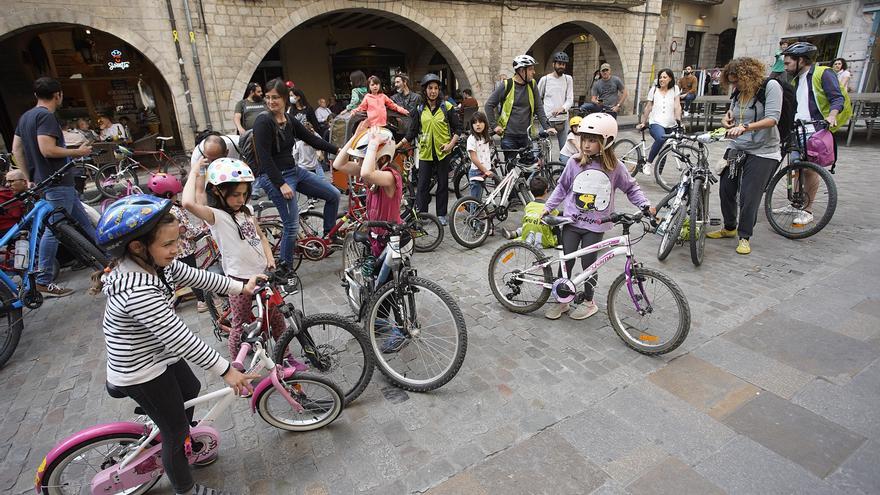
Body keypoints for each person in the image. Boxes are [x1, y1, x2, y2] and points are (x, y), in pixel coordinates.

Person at [93, 194, 260, 495]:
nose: (177, 250)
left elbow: (196, 275)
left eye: (177, 241)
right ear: (137, 246)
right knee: (175, 430)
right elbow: (180, 337)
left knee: (190, 389)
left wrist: (241, 286)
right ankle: (185, 487)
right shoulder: (137, 290)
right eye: (169, 244)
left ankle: (170, 428)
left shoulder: (154, 264)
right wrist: (227, 370)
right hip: (139, 370)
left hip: (156, 356)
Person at [542, 113, 653, 320]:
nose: (586, 144)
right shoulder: (574, 163)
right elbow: (562, 187)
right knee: (566, 263)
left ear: (606, 141)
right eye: (584, 139)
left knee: (589, 265)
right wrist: (548, 207)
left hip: (595, 225)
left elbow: (631, 188)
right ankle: (562, 300)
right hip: (572, 222)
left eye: (592, 140)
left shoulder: (614, 167)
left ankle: (588, 302)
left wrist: (645, 204)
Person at [181, 157, 288, 364]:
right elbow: (187, 202)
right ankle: (235, 366)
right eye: (236, 195)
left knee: (277, 318)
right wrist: (194, 170)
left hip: (262, 276)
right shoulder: (215, 216)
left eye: (245, 194)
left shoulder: (247, 211)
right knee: (239, 326)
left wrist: (270, 259)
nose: (241, 199)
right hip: (238, 282)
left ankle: (286, 357)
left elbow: (262, 237)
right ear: (218, 192)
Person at [11, 76, 94, 297]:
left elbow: (16, 149)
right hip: (57, 181)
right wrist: (79, 152)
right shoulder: (45, 116)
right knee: (54, 229)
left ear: (36, 95)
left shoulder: (26, 117)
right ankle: (43, 278)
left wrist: (29, 177)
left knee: (83, 223)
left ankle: (109, 261)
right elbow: (47, 149)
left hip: (46, 181)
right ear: (58, 94)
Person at [253, 78, 340, 268]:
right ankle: (285, 268)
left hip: (294, 171)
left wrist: (338, 151)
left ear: (284, 98)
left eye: (275, 97)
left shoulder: (289, 120)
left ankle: (329, 236)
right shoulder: (263, 122)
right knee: (291, 225)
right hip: (275, 177)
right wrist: (280, 184)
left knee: (334, 194)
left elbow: (312, 139)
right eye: (267, 97)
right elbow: (264, 157)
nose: (270, 102)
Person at [707, 57, 784, 255]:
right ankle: (729, 227)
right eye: (731, 81)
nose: (734, 85)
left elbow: (772, 119)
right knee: (726, 187)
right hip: (738, 146)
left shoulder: (770, 87)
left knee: (750, 195)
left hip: (763, 150)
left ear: (748, 76)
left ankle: (744, 236)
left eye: (736, 81)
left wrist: (745, 127)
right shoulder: (738, 91)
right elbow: (732, 113)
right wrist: (727, 120)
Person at [781, 42, 848, 227]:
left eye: (788, 63)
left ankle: (807, 210)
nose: (786, 67)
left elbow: (837, 97)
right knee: (797, 168)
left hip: (815, 129)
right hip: (798, 129)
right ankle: (795, 204)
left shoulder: (823, 73)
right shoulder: (796, 80)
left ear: (801, 60)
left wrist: (832, 115)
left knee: (810, 170)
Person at [397, 73, 462, 225]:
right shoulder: (419, 109)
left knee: (443, 184)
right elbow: (412, 132)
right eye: (430, 88)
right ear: (425, 90)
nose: (433, 91)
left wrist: (450, 145)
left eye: (436, 88)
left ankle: (441, 214)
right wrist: (397, 146)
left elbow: (458, 129)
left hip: (443, 152)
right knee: (422, 185)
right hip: (425, 152)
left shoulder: (447, 107)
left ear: (439, 90)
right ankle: (423, 214)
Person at [147, 172, 210, 313]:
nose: (178, 196)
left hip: (166, 249)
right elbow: (187, 230)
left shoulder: (155, 207)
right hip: (182, 250)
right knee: (193, 276)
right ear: (169, 195)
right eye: (176, 194)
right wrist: (202, 229)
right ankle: (202, 301)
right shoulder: (175, 210)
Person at [485, 55, 556, 166]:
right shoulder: (507, 85)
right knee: (511, 170)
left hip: (526, 136)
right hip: (509, 136)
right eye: (531, 69)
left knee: (529, 168)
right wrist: (494, 126)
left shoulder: (532, 85)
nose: (534, 72)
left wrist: (548, 127)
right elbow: (489, 105)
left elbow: (539, 108)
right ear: (522, 71)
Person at [636, 68, 683, 176]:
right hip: (656, 122)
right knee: (661, 138)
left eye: (664, 77)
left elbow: (677, 106)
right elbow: (648, 107)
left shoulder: (675, 89)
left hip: (671, 124)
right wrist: (643, 122)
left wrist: (679, 121)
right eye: (660, 77)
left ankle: (658, 173)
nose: (662, 79)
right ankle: (648, 163)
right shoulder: (654, 90)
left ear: (670, 78)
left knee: (666, 145)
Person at [502, 176, 560, 249]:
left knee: (530, 223)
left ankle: (514, 233)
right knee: (561, 226)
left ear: (531, 191)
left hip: (527, 236)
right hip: (544, 241)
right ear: (546, 191)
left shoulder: (528, 206)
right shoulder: (550, 208)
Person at [538, 52, 575, 151]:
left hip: (562, 119)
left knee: (565, 150)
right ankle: (544, 165)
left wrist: (562, 108)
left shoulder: (568, 79)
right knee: (542, 150)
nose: (561, 66)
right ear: (553, 64)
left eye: (563, 64)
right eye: (559, 64)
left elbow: (570, 98)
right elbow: (537, 99)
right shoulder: (545, 80)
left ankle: (563, 166)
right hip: (547, 120)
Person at [465, 111, 494, 202]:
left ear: (485, 123)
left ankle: (477, 214)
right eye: (475, 122)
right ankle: (473, 215)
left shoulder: (485, 137)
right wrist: (485, 170)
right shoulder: (472, 139)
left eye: (480, 122)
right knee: (475, 199)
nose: (478, 125)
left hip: (484, 171)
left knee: (479, 198)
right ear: (472, 125)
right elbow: (474, 158)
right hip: (477, 171)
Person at [0, 169, 27, 237]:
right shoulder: (5, 195)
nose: (7, 185)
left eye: (11, 181)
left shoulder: (36, 197)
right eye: (6, 182)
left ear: (24, 182)